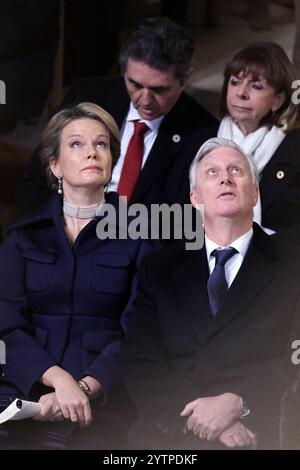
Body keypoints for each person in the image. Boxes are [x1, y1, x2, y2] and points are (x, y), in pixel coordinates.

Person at [123, 137, 300, 450]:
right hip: (167, 436)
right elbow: (140, 360)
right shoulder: (160, 268)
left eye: (236, 170)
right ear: (194, 197)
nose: (225, 178)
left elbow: (294, 360)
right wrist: (201, 414)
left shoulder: (292, 265)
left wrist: (239, 403)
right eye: (212, 172)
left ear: (256, 193)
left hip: (257, 433)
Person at [0, 102, 156, 450]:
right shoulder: (23, 236)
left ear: (112, 159)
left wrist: (84, 387)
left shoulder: (140, 236)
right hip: (23, 398)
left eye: (101, 144)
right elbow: (5, 326)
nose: (92, 153)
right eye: (77, 144)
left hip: (101, 406)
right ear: (54, 164)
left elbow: (141, 333)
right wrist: (57, 381)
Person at [15, 16, 218, 218]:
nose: (145, 100)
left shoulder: (203, 135)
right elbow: (37, 180)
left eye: (159, 90)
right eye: (135, 85)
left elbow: (186, 224)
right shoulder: (87, 95)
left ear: (184, 80)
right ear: (124, 72)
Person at [218, 42, 300, 234]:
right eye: (235, 82)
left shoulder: (294, 151)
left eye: (256, 86)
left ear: (277, 100)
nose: (241, 93)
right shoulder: (203, 140)